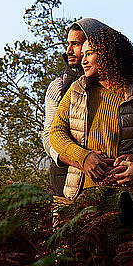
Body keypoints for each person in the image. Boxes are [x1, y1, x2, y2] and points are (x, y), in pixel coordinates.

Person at [49, 26, 133, 227]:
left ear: (107, 55)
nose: (83, 59)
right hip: (82, 196)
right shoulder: (76, 91)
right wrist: (83, 156)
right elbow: (56, 133)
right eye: (82, 54)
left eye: (89, 54)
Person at [42, 18, 110, 196]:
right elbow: (49, 138)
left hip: (110, 184)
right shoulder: (59, 87)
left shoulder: (118, 88)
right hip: (65, 185)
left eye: (76, 44)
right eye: (68, 44)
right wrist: (83, 160)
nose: (68, 51)